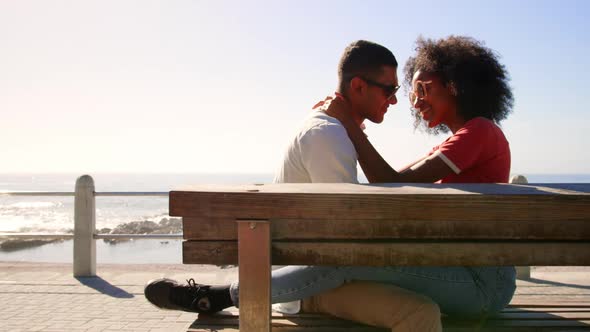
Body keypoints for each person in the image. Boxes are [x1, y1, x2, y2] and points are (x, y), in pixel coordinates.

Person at [144, 40, 445, 330]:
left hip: (313, 272)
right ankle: (222, 295)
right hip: (308, 290)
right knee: (420, 314)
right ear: (358, 86)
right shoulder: (329, 136)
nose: (393, 99)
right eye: (389, 89)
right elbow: (346, 234)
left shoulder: (326, 127)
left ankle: (219, 295)